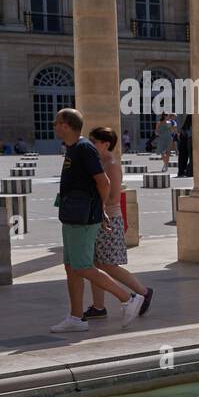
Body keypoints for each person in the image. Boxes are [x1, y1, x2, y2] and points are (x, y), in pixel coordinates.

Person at [49, 109, 144, 332]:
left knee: (82, 266)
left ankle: (128, 299)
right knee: (71, 267)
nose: (54, 126)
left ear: (66, 125)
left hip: (83, 218)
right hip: (72, 215)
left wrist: (99, 208)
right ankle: (75, 317)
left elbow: (104, 182)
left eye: (57, 122)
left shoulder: (83, 148)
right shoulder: (73, 148)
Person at [85, 127, 153, 322]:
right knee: (95, 263)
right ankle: (98, 307)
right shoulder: (98, 162)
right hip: (97, 216)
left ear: (105, 144)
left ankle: (143, 292)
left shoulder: (112, 164)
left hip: (109, 218)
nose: (90, 144)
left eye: (93, 141)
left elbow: (114, 197)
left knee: (108, 264)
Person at [176, 112, 193, 178]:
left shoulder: (189, 119)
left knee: (183, 156)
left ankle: (182, 171)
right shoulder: (194, 117)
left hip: (186, 138)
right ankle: (189, 171)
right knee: (191, 156)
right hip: (189, 138)